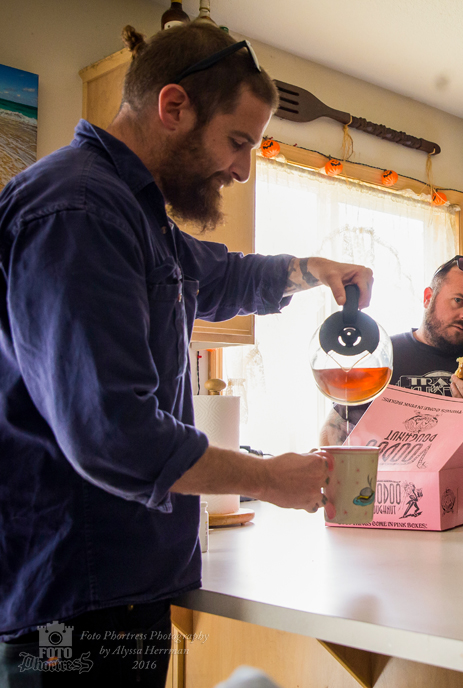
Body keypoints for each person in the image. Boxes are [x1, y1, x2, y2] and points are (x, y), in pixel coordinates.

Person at [0, 24, 374, 685]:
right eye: (237, 141)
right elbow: (113, 435)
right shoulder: (80, 209)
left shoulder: (133, 212)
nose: (241, 168)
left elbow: (223, 276)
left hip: (115, 591)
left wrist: (312, 270)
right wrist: (266, 479)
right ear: (173, 107)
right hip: (71, 605)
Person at [321, 256, 463, 471]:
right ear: (428, 298)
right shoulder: (385, 353)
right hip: (400, 501)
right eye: (458, 301)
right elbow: (335, 428)